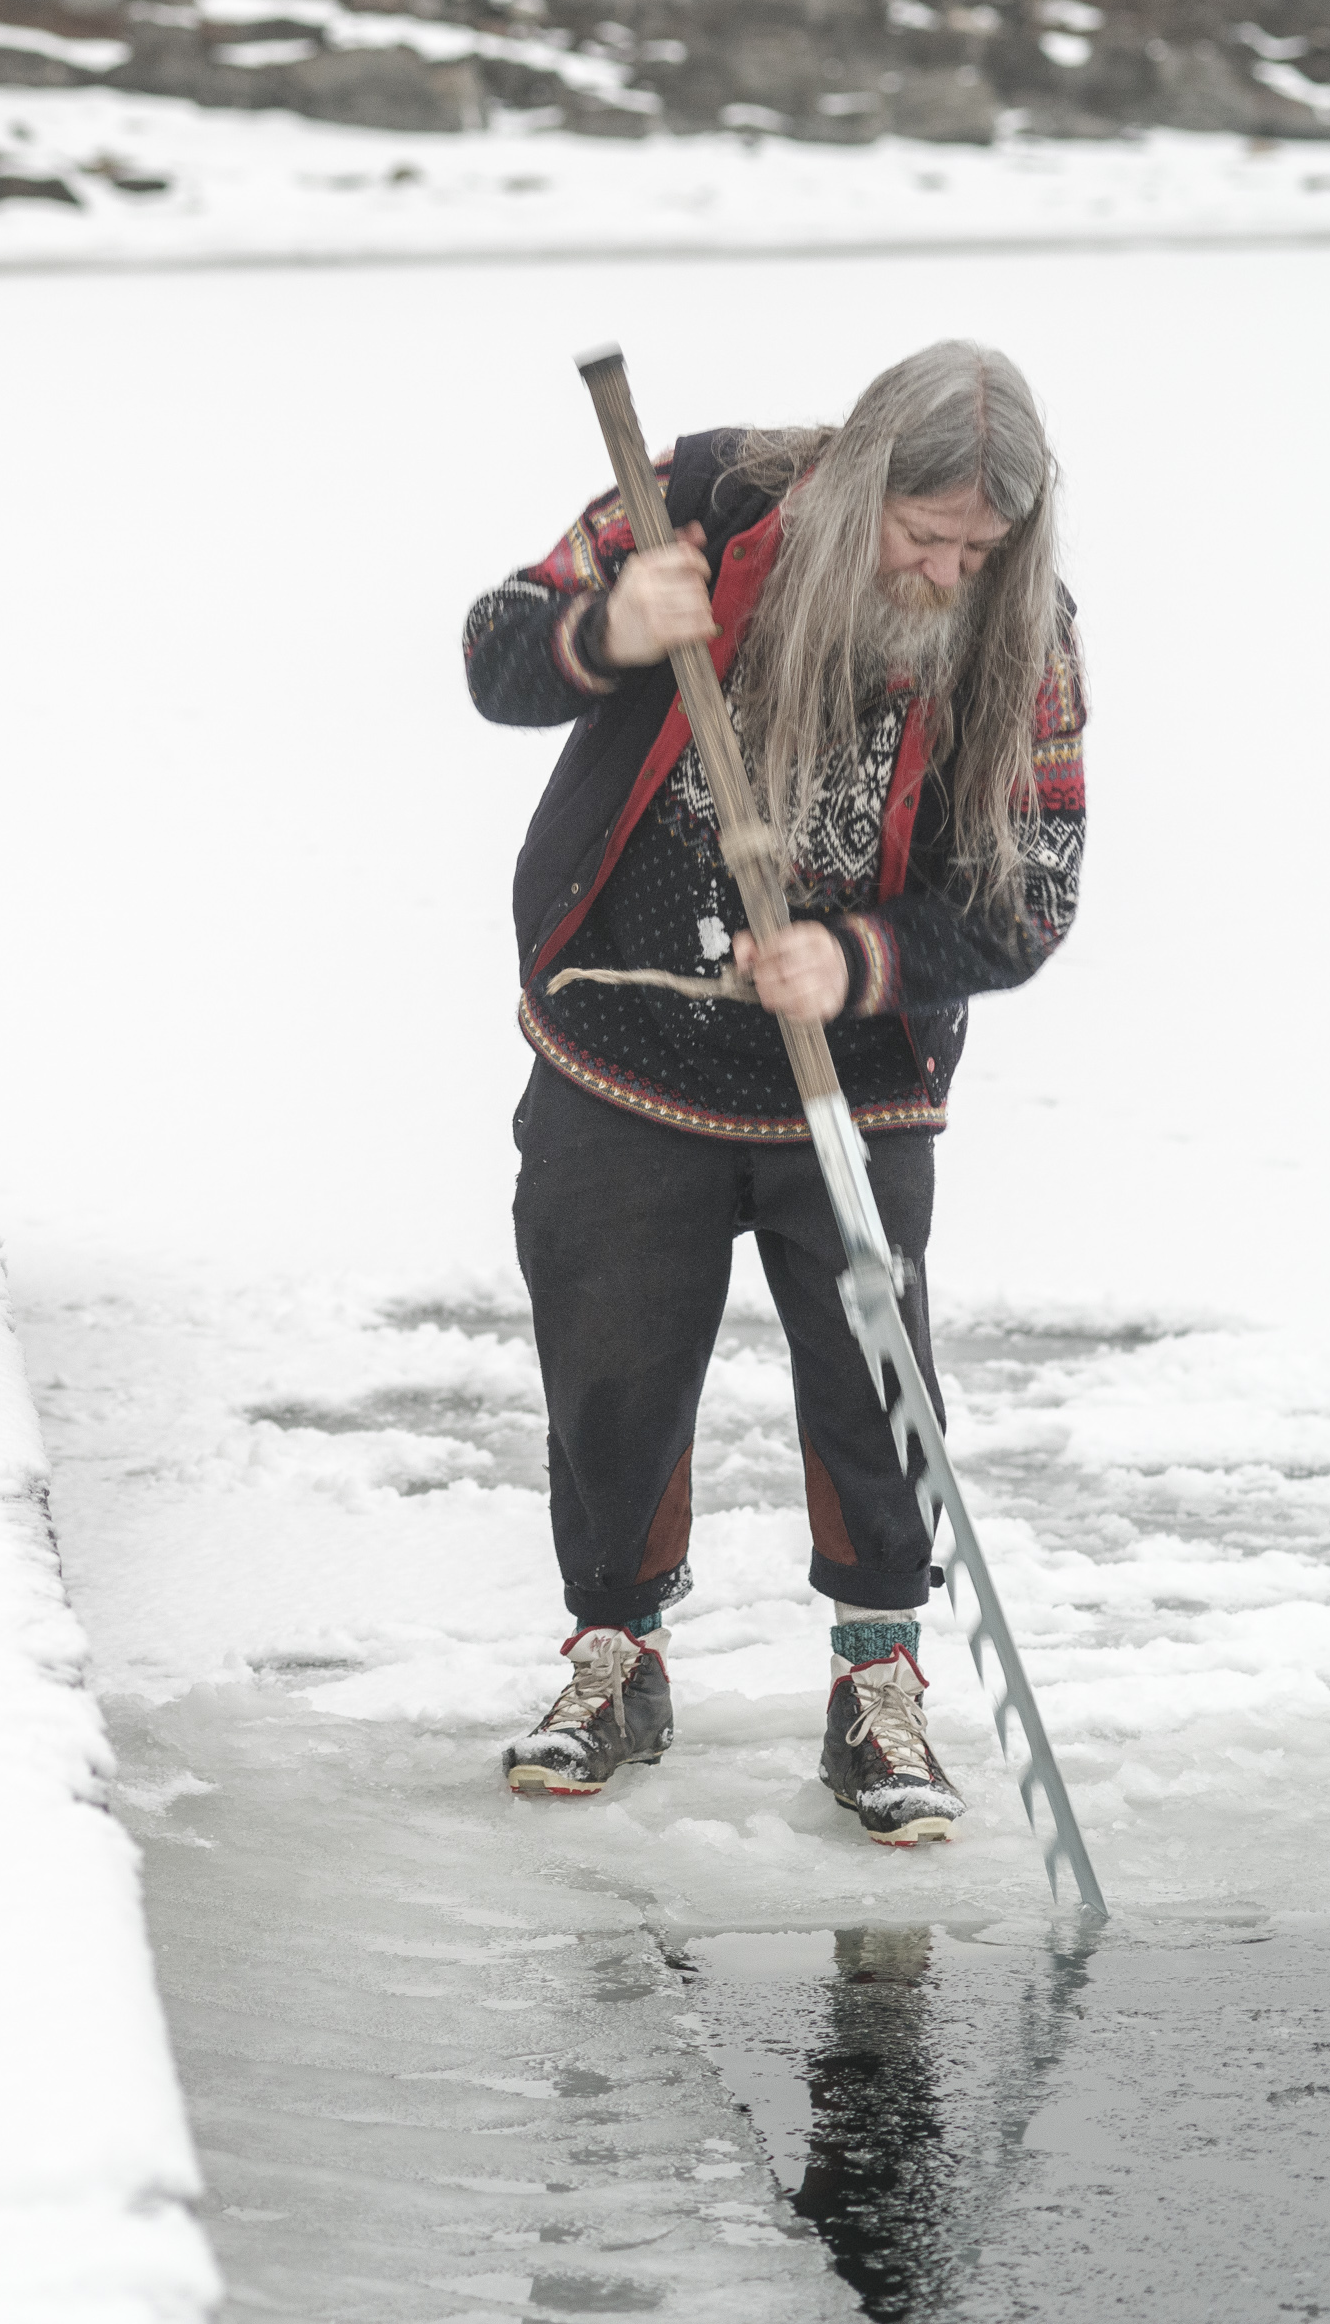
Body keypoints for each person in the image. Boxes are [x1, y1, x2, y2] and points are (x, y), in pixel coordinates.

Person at [455, 340, 1086, 1844]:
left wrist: (859, 958)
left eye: (976, 547)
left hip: (852, 1077)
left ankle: (875, 1679)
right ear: (860, 475)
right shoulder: (699, 494)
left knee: (872, 1382)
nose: (943, 569)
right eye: (919, 533)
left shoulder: (1024, 631)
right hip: (625, 1027)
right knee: (609, 1366)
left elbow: (1037, 888)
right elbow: (493, 655)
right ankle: (616, 1651)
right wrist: (606, 626)